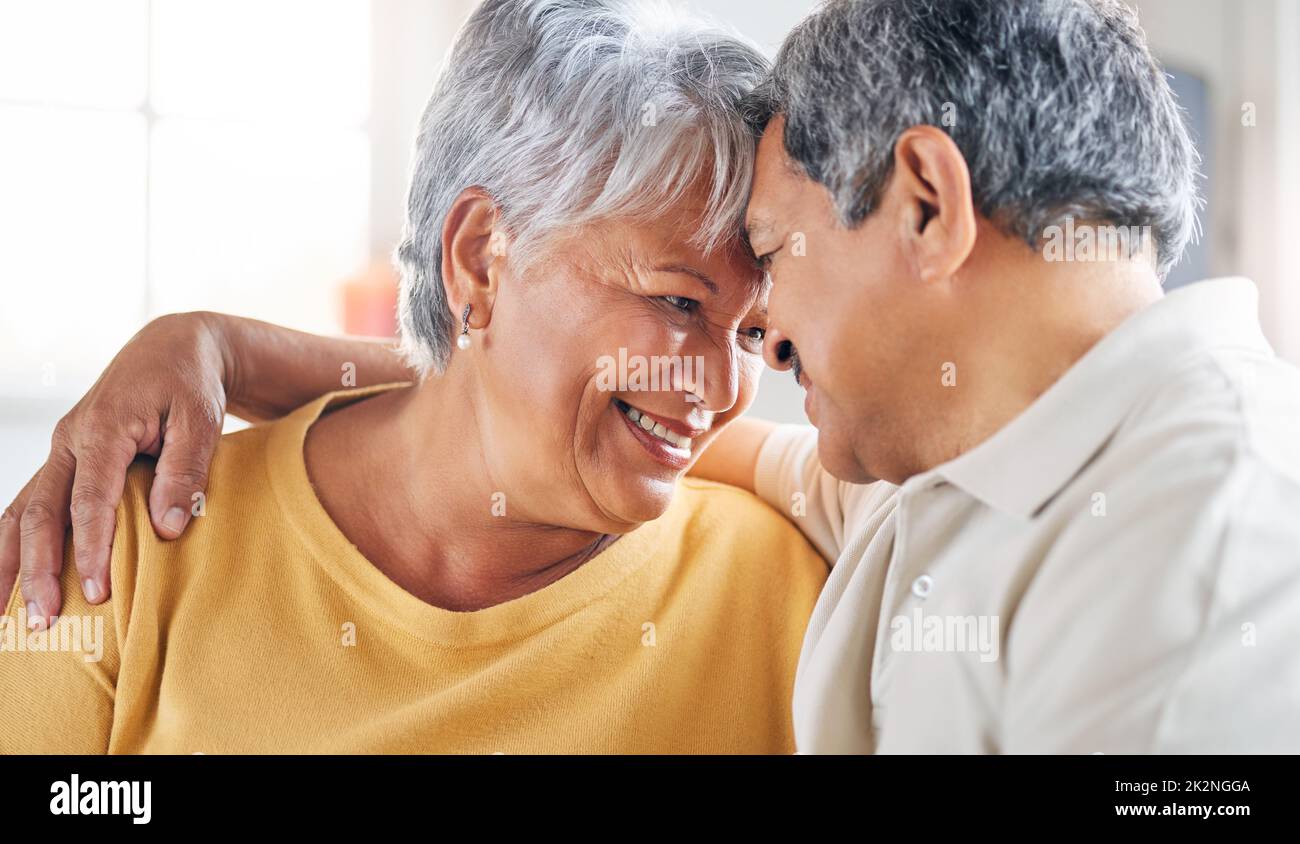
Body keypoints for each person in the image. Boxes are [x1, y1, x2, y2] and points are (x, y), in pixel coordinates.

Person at [9, 0, 1300, 754]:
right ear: (481, 255)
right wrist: (227, 348)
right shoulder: (959, 476)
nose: (753, 367)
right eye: (690, 305)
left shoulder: (1198, 534)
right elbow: (522, 401)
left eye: (759, 296)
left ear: (927, 205)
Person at [0, 0, 829, 754]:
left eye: (754, 333)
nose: (722, 388)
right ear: (480, 259)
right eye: (681, 302)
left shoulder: (791, 600)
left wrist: (225, 345)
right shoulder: (124, 543)